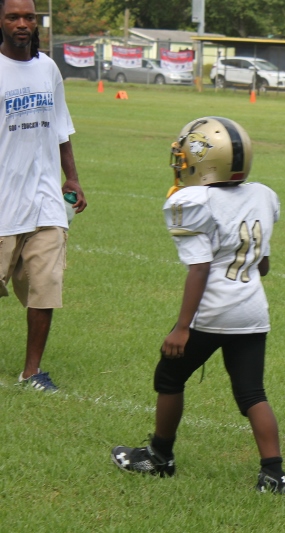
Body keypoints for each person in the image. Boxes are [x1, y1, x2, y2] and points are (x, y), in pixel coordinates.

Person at [110, 117, 285, 495]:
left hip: (213, 311)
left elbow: (200, 268)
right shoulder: (262, 195)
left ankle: (160, 456)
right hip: (252, 310)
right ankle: (274, 475)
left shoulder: (194, 201)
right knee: (252, 393)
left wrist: (182, 327)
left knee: (169, 377)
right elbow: (263, 266)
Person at [0, 0, 87, 392]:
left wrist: (72, 178)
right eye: (13, 17)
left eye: (29, 17)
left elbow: (60, 128)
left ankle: (32, 372)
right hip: (4, 203)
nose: (22, 23)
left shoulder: (48, 68)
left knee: (46, 285)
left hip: (46, 200)